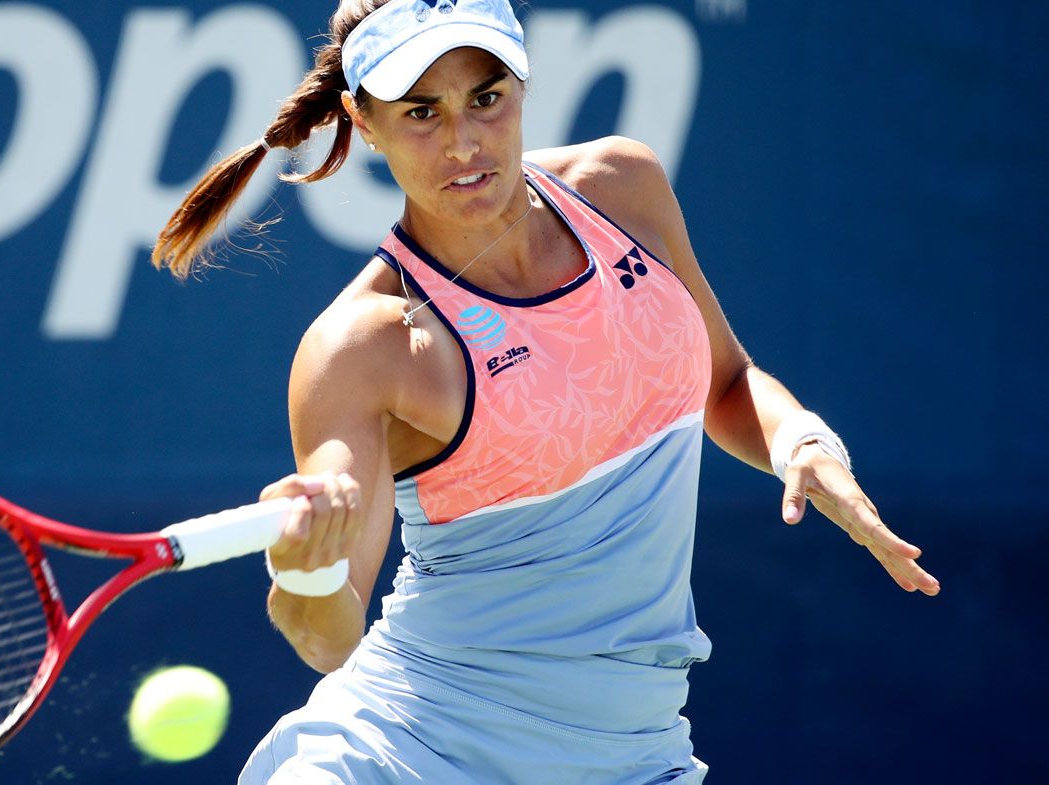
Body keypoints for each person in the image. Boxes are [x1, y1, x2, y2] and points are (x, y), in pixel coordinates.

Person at [153, 1, 940, 782]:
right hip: (402, 756)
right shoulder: (365, 347)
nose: (464, 143)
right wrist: (308, 568)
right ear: (364, 122)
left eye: (486, 98)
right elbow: (327, 637)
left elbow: (727, 382)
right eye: (421, 112)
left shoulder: (622, 188)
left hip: (634, 759)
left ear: (523, 87)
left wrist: (803, 439)